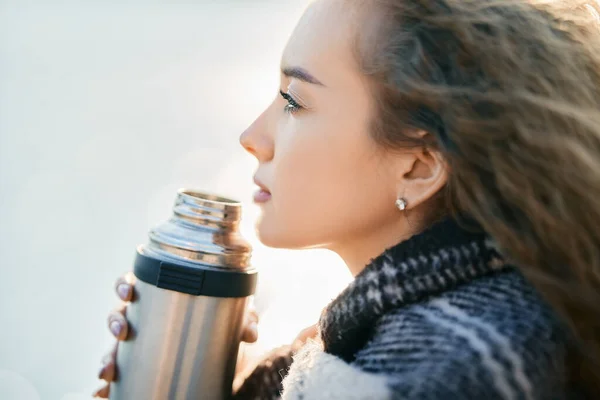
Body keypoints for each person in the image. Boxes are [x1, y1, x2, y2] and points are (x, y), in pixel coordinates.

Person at [94, 0, 600, 398]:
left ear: (418, 167)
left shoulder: (434, 375)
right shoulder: (492, 325)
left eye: (294, 100)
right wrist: (226, 378)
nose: (252, 136)